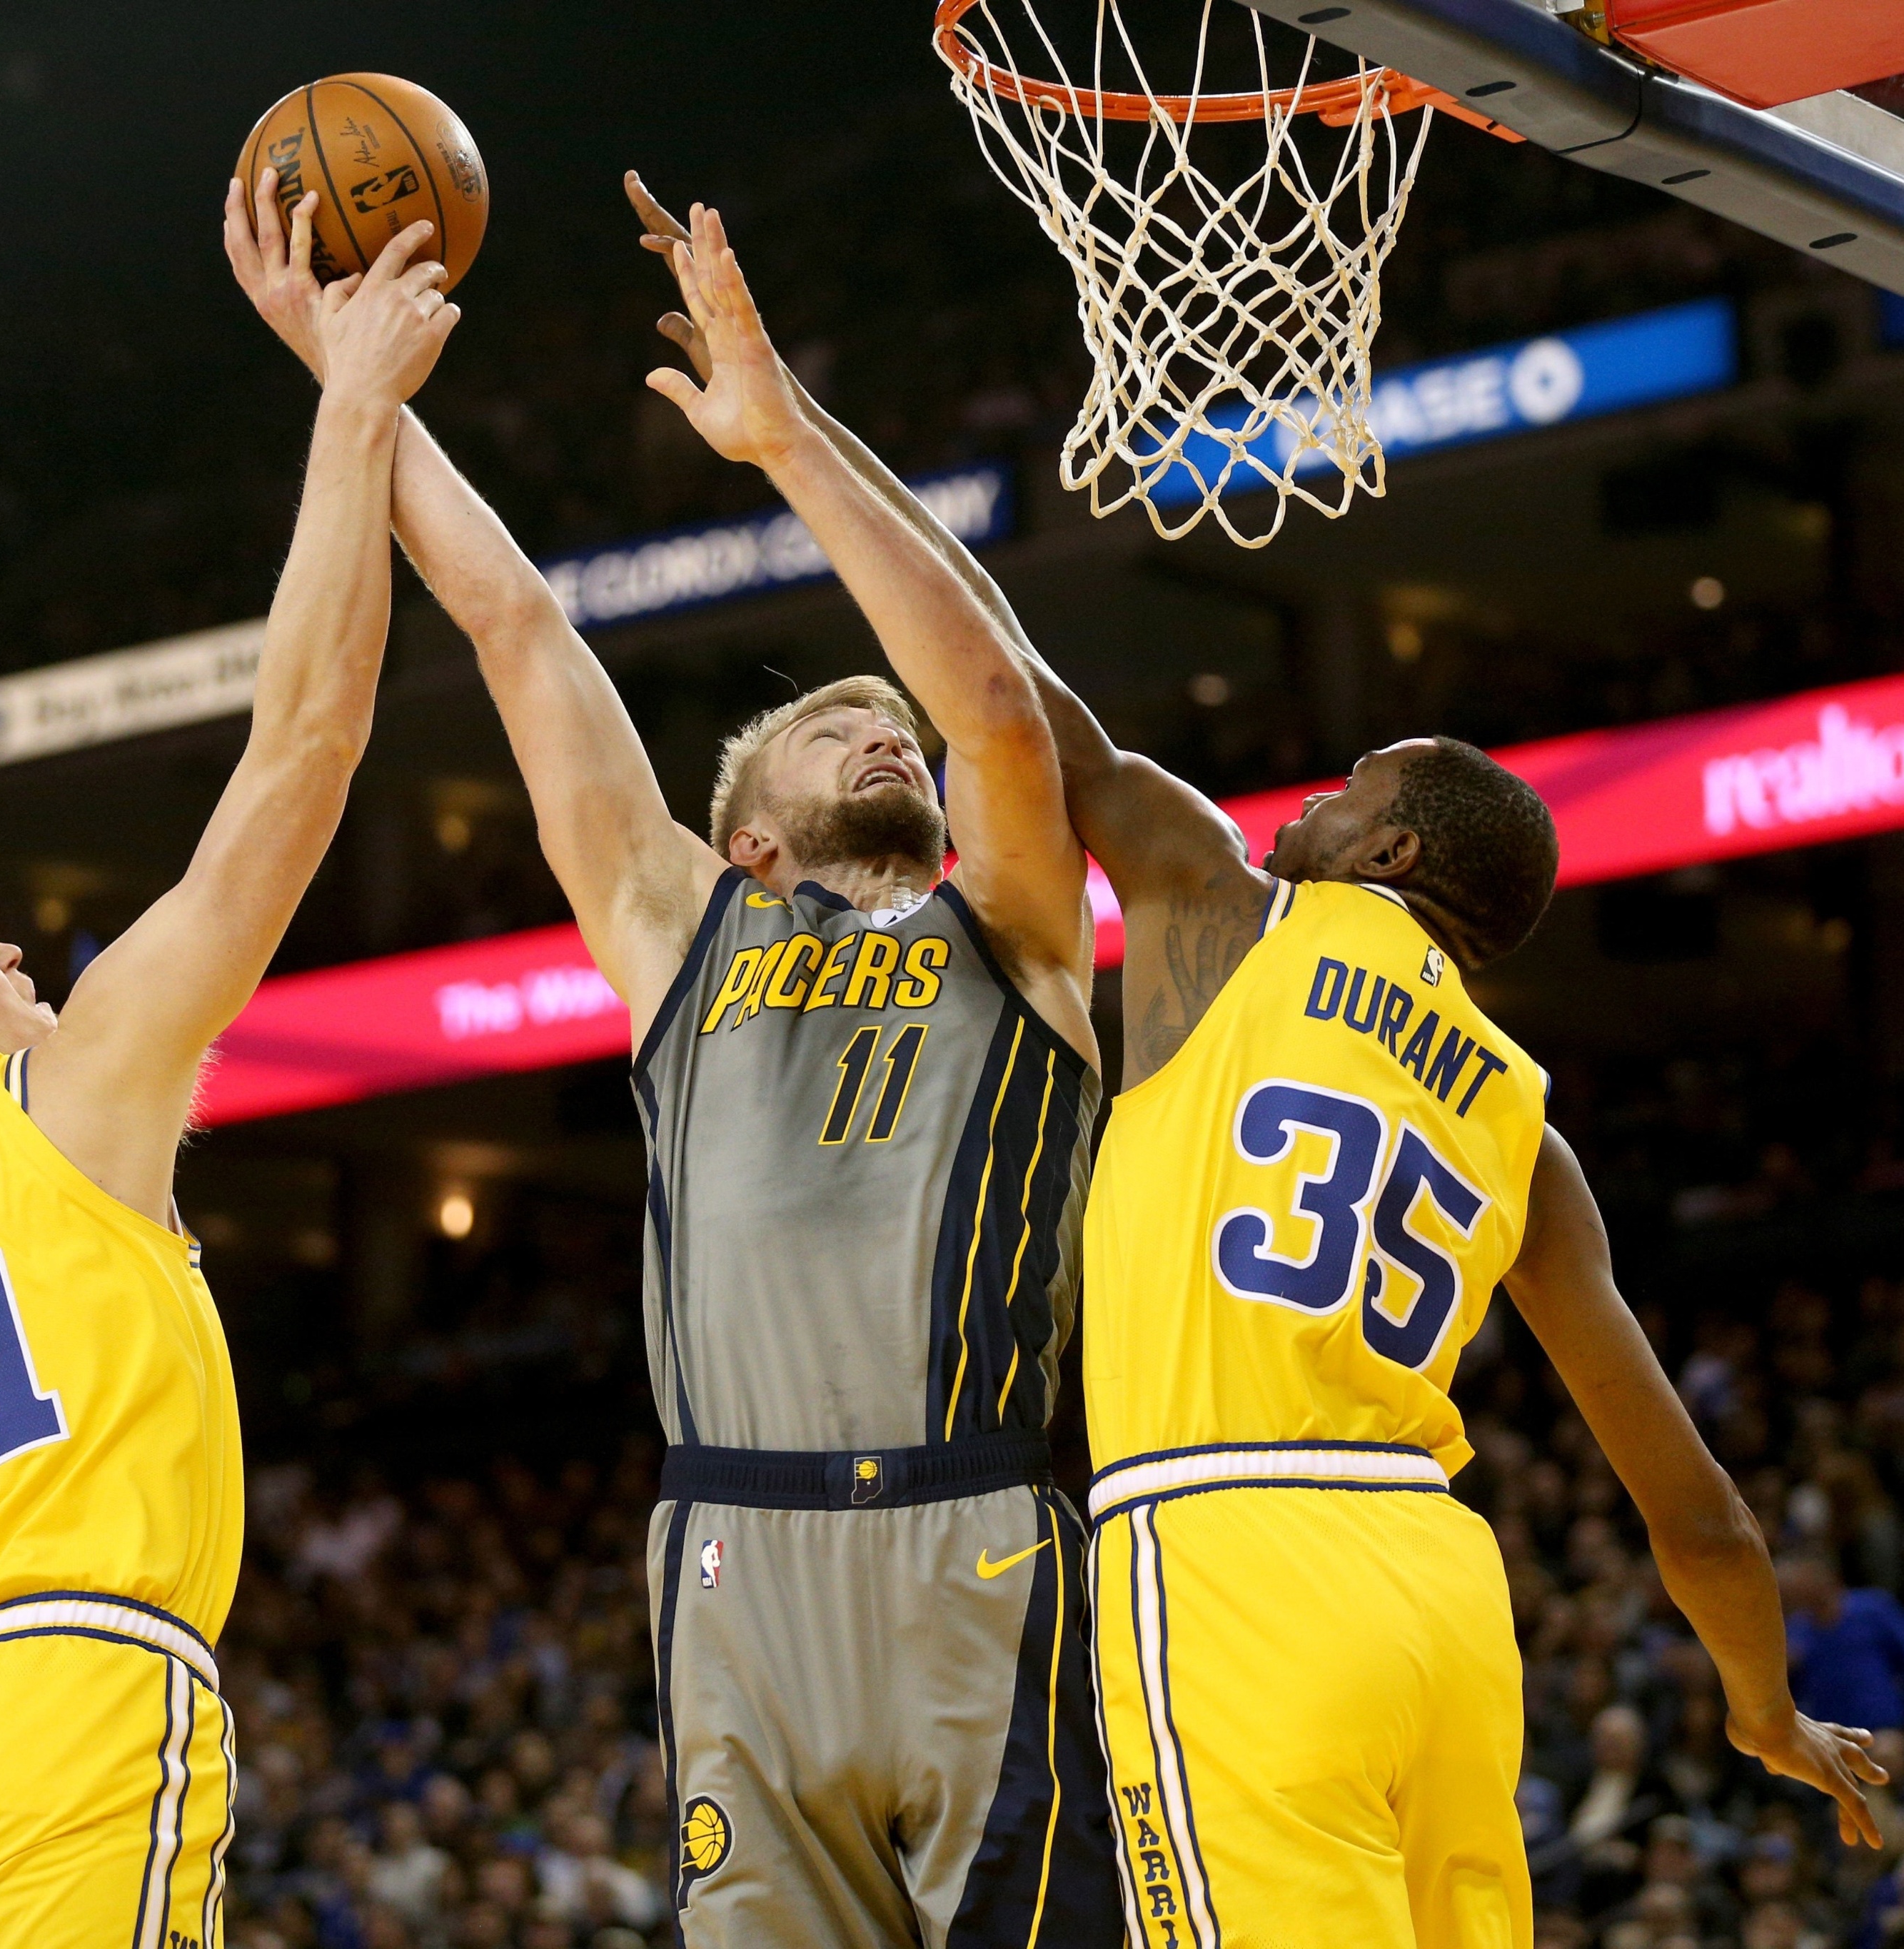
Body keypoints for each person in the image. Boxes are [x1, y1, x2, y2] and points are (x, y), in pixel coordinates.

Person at [615, 191, 1895, 1945]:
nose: (1310, 795)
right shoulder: (1525, 1125)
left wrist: (790, 436)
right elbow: (1697, 1508)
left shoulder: (1232, 910)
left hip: (1225, 1561)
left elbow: (997, 679)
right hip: (1440, 1596)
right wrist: (1761, 1707)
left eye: (1352, 782)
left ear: (1389, 850)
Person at [227, 179, 1122, 1949]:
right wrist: (347, 385)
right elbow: (519, 632)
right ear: (748, 840)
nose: (885, 721)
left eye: (894, 723)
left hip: (986, 1544)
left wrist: (785, 447)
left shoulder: (1012, 934)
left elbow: (1001, 714)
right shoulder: (679, 929)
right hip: (730, 1558)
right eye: (827, 724)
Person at [0, 207, 458, 1942]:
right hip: (59, 1692)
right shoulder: (63, 1091)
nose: (17, 953)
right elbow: (305, 749)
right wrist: (352, 405)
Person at [1783, 1549, 1904, 1734]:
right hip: (1829, 1735)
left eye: (1810, 1577)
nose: (1804, 1587)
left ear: (1829, 1576)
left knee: (1886, 1753)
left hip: (1883, 1728)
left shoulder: (1872, 1608)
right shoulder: (1797, 1628)